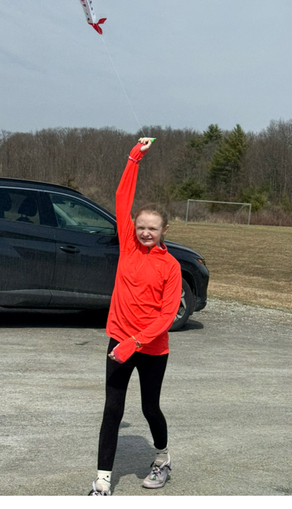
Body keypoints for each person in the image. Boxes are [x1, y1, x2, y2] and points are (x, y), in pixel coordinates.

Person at [90, 138, 183, 496]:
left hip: (150, 348)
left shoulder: (171, 266)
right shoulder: (128, 245)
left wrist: (135, 342)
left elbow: (166, 315)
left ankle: (162, 457)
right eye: (141, 226)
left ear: (164, 231)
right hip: (120, 341)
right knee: (112, 409)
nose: (145, 232)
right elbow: (121, 198)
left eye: (153, 228)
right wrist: (134, 158)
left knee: (149, 407)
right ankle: (101, 482)